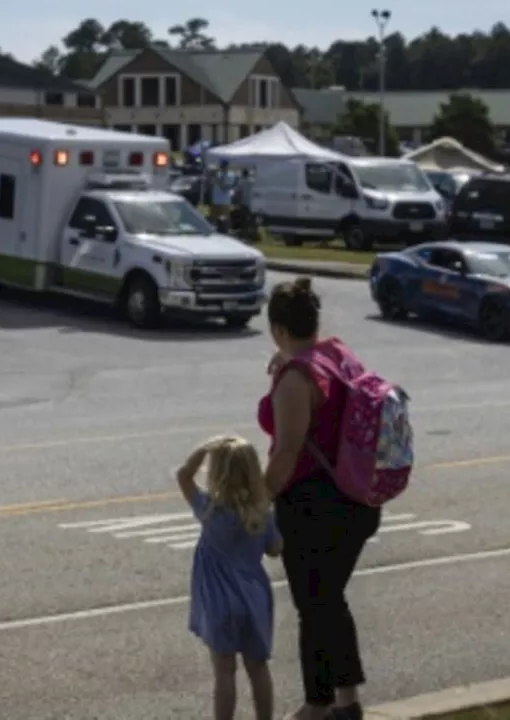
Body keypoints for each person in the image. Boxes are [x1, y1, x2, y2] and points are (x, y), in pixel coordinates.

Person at [258, 277, 381, 720]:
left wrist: (257, 501)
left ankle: (319, 703)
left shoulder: (297, 377)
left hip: (316, 506)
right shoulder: (337, 353)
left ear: (278, 328)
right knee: (328, 599)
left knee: (315, 604)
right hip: (358, 498)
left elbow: (287, 451)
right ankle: (345, 704)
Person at [177, 434, 282, 720]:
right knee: (258, 668)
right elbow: (275, 550)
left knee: (224, 671)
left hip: (219, 601)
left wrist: (205, 446)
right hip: (254, 598)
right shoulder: (262, 513)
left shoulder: (210, 510)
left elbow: (183, 475)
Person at [210, 161, 237, 231]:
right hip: (216, 199)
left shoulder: (230, 175)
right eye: (222, 166)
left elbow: (224, 187)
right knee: (214, 217)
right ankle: (215, 229)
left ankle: (227, 230)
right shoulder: (218, 174)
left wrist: (217, 179)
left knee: (226, 217)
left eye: (225, 166)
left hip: (225, 200)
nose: (223, 168)